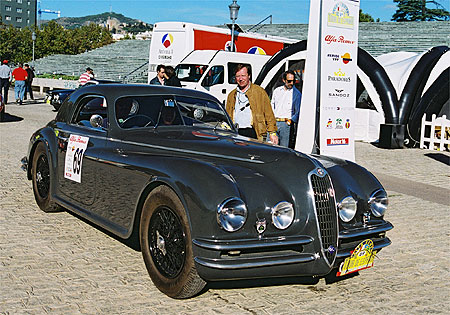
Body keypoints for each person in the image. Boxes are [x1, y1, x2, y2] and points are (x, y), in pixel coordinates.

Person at [225, 64, 278, 144]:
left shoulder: (259, 92)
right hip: (236, 133)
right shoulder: (232, 95)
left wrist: (272, 133)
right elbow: (227, 116)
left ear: (249, 76)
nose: (240, 79)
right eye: (238, 76)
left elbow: (269, 114)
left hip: (253, 132)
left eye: (243, 76)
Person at [270, 70, 302, 147]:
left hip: (286, 124)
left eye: (293, 81)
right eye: (289, 81)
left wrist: (290, 121)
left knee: (284, 148)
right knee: (271, 146)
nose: (291, 83)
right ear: (284, 80)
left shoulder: (297, 94)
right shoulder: (277, 91)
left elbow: (298, 112)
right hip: (274, 122)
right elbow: (272, 106)